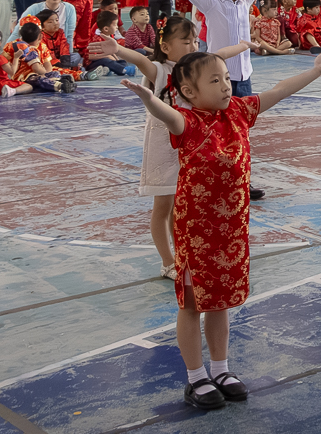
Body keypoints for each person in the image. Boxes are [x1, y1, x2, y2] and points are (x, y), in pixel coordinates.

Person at [124, 45, 321, 409]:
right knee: (193, 304)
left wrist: (316, 70)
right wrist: (149, 100)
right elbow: (168, 115)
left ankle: (221, 369)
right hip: (197, 232)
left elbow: (279, 90)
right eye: (215, 80)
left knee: (220, 303)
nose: (226, 85)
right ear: (189, 91)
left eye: (226, 78)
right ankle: (196, 377)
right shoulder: (188, 122)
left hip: (231, 230)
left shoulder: (240, 112)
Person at [90, 21, 249, 279]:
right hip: (164, 147)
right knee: (163, 205)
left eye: (195, 41)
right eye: (186, 42)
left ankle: (183, 257)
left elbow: (219, 54)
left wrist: (243, 45)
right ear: (165, 47)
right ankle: (168, 262)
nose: (193, 46)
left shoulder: (195, 68)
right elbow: (141, 61)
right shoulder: (161, 70)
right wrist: (117, 49)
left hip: (190, 146)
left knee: (182, 207)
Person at [144, 0, 286, 201]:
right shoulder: (212, 4)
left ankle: (241, 180)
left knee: (241, 132)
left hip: (243, 79)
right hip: (217, 82)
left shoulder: (245, 1)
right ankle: (211, 177)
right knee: (215, 132)